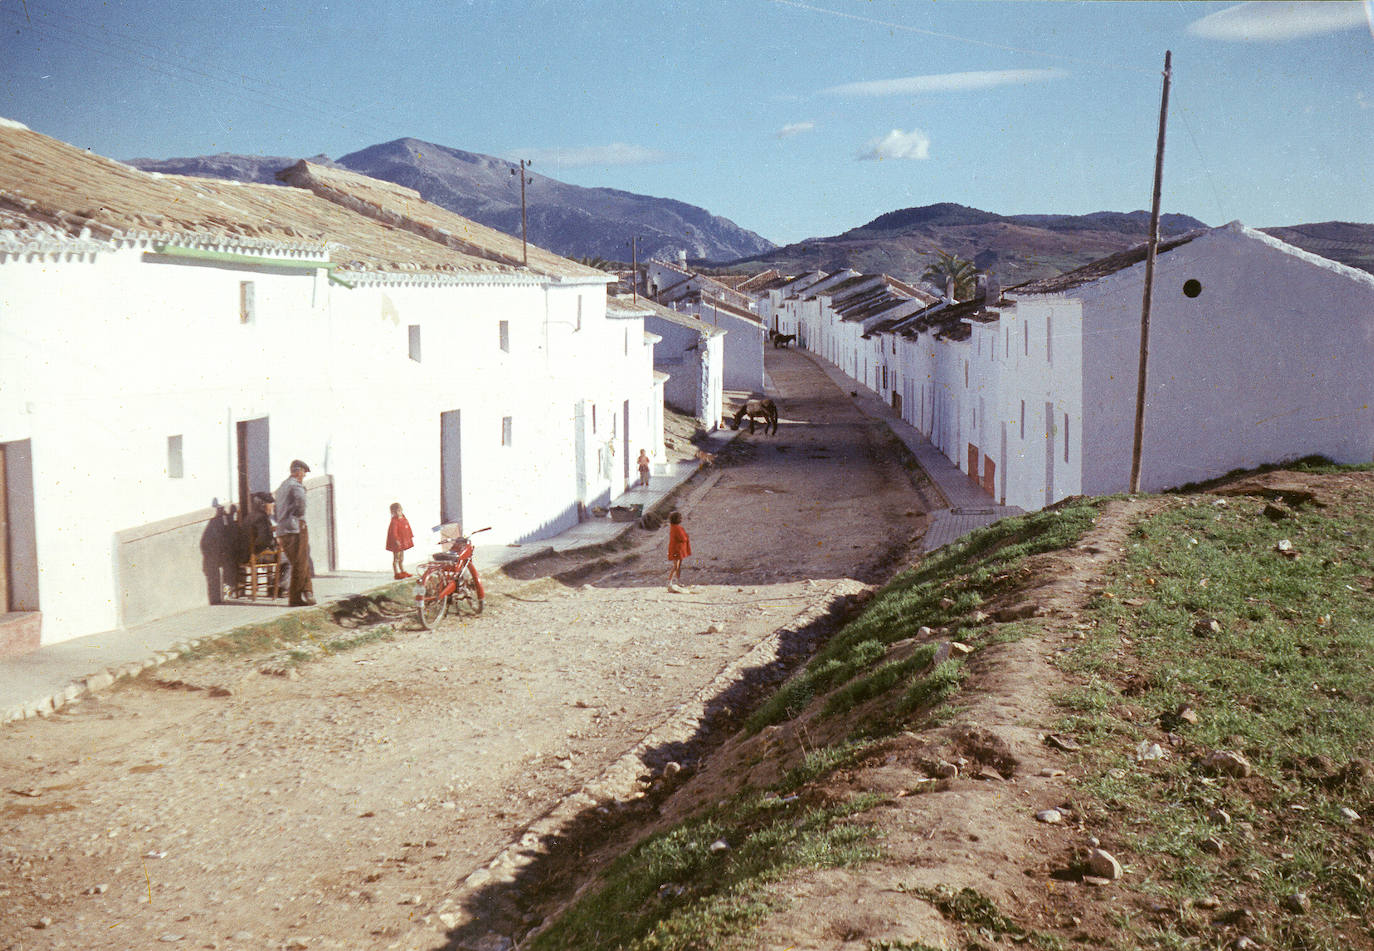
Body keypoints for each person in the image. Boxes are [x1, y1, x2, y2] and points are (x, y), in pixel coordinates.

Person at [274, 459, 315, 606]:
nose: (303, 476)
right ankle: (296, 597)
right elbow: (301, 503)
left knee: (298, 561)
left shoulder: (282, 486)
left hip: (283, 529)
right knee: (300, 562)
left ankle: (308, 593)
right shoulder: (296, 486)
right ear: (298, 472)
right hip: (296, 527)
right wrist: (298, 516)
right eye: (303, 473)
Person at [386, 502, 414, 579]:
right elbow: (394, 532)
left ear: (401, 510)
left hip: (403, 542)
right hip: (396, 543)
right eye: (395, 512)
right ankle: (396, 573)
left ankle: (402, 571)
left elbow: (408, 528)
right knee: (396, 558)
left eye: (399, 510)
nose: (398, 513)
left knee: (401, 558)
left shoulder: (404, 519)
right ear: (392, 512)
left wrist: (410, 536)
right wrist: (397, 541)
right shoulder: (394, 521)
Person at [666, 510, 691, 593]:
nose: (681, 519)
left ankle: (677, 581)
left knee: (678, 566)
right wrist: (686, 537)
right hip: (677, 550)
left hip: (677, 549)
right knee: (676, 566)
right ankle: (670, 582)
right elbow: (682, 538)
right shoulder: (677, 528)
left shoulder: (673, 527)